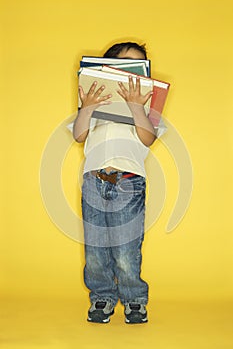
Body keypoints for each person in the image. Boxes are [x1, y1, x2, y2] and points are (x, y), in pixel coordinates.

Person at [73, 42, 162, 324]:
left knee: (126, 249)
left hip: (129, 181)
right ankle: (102, 296)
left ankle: (134, 298)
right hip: (94, 180)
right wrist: (86, 108)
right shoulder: (95, 98)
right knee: (96, 248)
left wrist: (137, 107)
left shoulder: (151, 102)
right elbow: (78, 135)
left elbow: (148, 138)